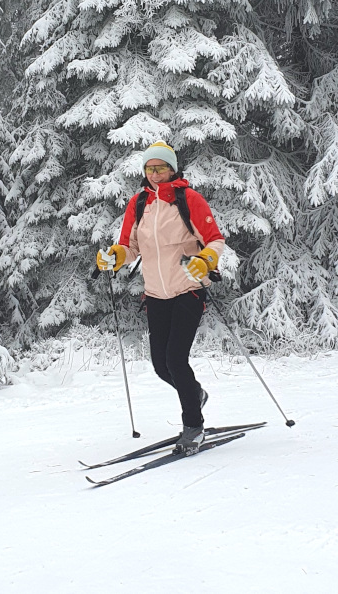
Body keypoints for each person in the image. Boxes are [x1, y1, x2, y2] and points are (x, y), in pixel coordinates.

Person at [96, 140, 225, 454]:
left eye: (161, 167)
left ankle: (193, 427)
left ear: (172, 169)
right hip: (155, 293)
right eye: (149, 168)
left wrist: (206, 260)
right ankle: (195, 394)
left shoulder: (188, 199)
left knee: (176, 360)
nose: (155, 173)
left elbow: (214, 240)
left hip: (187, 289)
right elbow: (130, 247)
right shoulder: (138, 203)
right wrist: (114, 256)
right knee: (159, 365)